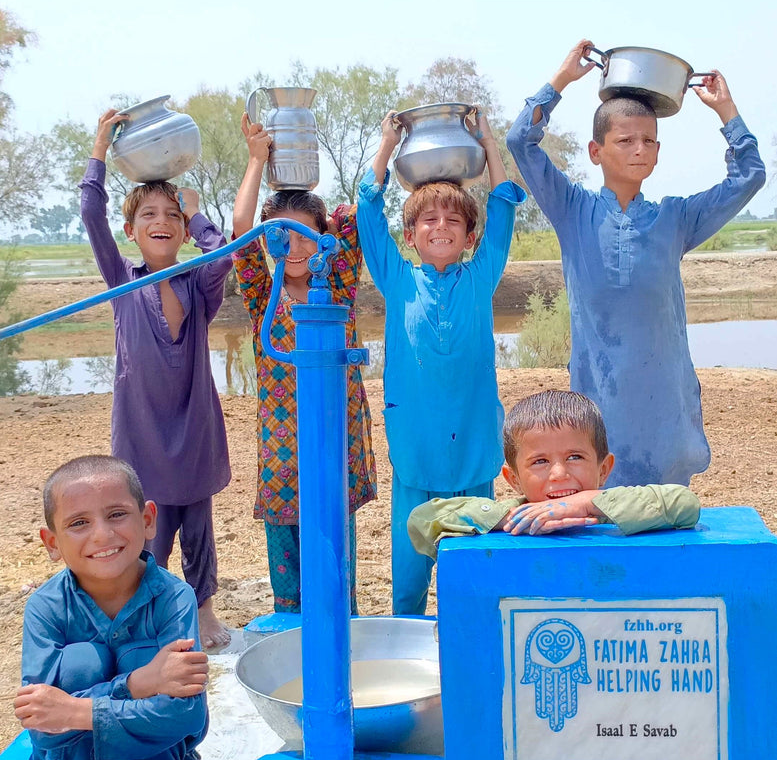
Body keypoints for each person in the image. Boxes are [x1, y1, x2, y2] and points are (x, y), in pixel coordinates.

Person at [506, 40, 766, 488]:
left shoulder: (676, 218)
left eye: (649, 141)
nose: (639, 149)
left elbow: (750, 176)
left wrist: (728, 112)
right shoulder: (572, 209)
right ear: (595, 151)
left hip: (665, 408)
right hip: (597, 406)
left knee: (663, 525)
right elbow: (519, 140)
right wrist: (563, 79)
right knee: (599, 518)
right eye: (624, 140)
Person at [357, 109, 526, 615]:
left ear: (470, 236)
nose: (441, 227)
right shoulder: (397, 279)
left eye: (454, 220)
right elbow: (368, 211)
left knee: (474, 577)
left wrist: (489, 143)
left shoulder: (481, 276)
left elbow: (502, 208)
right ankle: (406, 651)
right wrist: (386, 147)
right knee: (408, 582)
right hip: (415, 449)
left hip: (474, 450)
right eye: (429, 219)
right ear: (410, 234)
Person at [80, 109, 233, 649]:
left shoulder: (197, 285)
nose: (161, 221)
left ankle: (204, 610)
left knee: (198, 527)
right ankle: (149, 619)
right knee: (147, 531)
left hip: (192, 429)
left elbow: (225, 256)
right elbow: (91, 214)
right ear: (132, 229)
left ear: (184, 230)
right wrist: (101, 146)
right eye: (148, 213)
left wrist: (200, 215)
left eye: (171, 214)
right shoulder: (121, 282)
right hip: (142, 433)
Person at [10, 456, 208, 760]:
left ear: (148, 519)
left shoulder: (173, 597)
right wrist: (137, 685)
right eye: (79, 523)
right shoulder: (46, 607)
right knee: (83, 661)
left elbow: (187, 715)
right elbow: (40, 724)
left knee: (141, 655)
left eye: (117, 514)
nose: (101, 535)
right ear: (52, 542)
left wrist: (74, 711)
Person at [231, 115, 377, 612]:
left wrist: (330, 217)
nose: (294, 248)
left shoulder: (335, 287)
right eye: (281, 236)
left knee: (335, 541)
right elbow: (238, 231)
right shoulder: (261, 293)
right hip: (283, 444)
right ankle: (289, 623)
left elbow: (355, 219)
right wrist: (257, 161)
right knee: (287, 550)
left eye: (305, 235)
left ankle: (342, 618)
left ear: (323, 238)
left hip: (336, 435)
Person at [408, 389, 700, 558]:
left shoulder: (616, 509)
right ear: (513, 479)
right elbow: (422, 521)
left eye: (575, 457)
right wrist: (507, 520)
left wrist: (586, 503)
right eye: (540, 462)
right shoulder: (513, 516)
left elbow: (684, 504)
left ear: (604, 469)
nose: (559, 473)